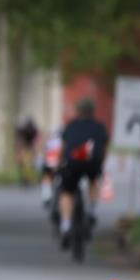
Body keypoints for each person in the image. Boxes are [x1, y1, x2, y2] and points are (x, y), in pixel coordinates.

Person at [58, 98, 109, 245]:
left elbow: (64, 147)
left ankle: (66, 226)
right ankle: (91, 211)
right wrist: (101, 164)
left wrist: (60, 163)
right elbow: (104, 149)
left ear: (78, 111)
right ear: (92, 111)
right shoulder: (99, 127)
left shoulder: (71, 125)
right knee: (93, 181)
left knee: (67, 192)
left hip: (72, 163)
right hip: (92, 163)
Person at [39, 128, 63, 207]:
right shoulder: (64, 141)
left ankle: (46, 197)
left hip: (50, 163)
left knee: (46, 178)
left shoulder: (50, 142)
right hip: (59, 164)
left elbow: (45, 152)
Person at [15, 117, 40, 187]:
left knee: (29, 164)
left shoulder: (34, 131)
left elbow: (36, 141)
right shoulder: (22, 131)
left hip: (29, 148)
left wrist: (35, 150)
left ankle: (28, 178)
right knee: (23, 164)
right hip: (24, 147)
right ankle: (24, 178)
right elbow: (20, 141)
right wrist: (19, 151)